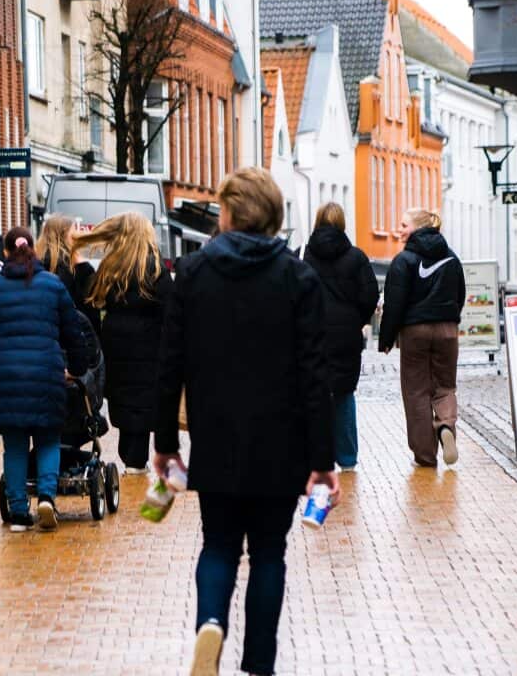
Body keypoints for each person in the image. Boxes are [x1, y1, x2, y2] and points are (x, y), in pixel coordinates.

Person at [155, 167, 338, 676]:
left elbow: (169, 367)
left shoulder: (191, 275)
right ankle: (258, 663)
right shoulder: (299, 278)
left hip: (216, 438)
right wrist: (323, 461)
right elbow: (313, 376)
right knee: (268, 555)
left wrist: (166, 444)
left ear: (228, 214)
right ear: (275, 217)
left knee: (217, 545)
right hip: (282, 444)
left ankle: (210, 624)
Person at [0, 226, 87, 532]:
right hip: (47, 375)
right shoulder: (52, 286)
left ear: (6, 252)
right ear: (33, 250)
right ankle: (47, 497)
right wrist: (76, 367)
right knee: (49, 438)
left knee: (15, 446)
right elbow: (73, 332)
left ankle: (20, 514)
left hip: (7, 378)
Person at [73, 212, 173, 474]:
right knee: (142, 404)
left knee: (124, 401)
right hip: (148, 346)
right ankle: (135, 462)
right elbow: (170, 308)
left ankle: (131, 458)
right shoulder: (154, 267)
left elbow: (93, 297)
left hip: (115, 343)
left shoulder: (112, 264)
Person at [378, 208, 466, 468]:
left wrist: (386, 338)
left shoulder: (404, 260)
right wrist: (449, 318)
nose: (400, 230)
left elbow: (395, 303)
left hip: (415, 331)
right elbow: (460, 294)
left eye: (404, 225)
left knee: (416, 391)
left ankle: (425, 455)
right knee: (445, 386)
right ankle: (446, 426)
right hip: (448, 329)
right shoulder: (451, 258)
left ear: (417, 228)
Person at [302, 202, 379, 472]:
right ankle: (347, 458)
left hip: (315, 332)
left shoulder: (306, 256)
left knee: (317, 392)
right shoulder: (356, 257)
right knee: (345, 393)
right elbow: (370, 295)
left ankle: (318, 455)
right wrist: (356, 319)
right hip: (346, 335)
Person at [37, 214, 101, 328]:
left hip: (44, 330)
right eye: (74, 230)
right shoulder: (80, 269)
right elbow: (91, 310)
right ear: (67, 235)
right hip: (73, 332)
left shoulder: (35, 264)